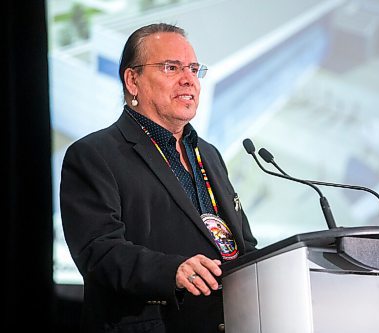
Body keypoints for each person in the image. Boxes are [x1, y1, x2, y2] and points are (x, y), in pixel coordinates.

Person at [60, 23, 257, 333]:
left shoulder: (209, 154)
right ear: (132, 80)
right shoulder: (95, 155)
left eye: (193, 69)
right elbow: (99, 251)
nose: (188, 79)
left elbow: (241, 243)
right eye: (171, 67)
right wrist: (171, 271)